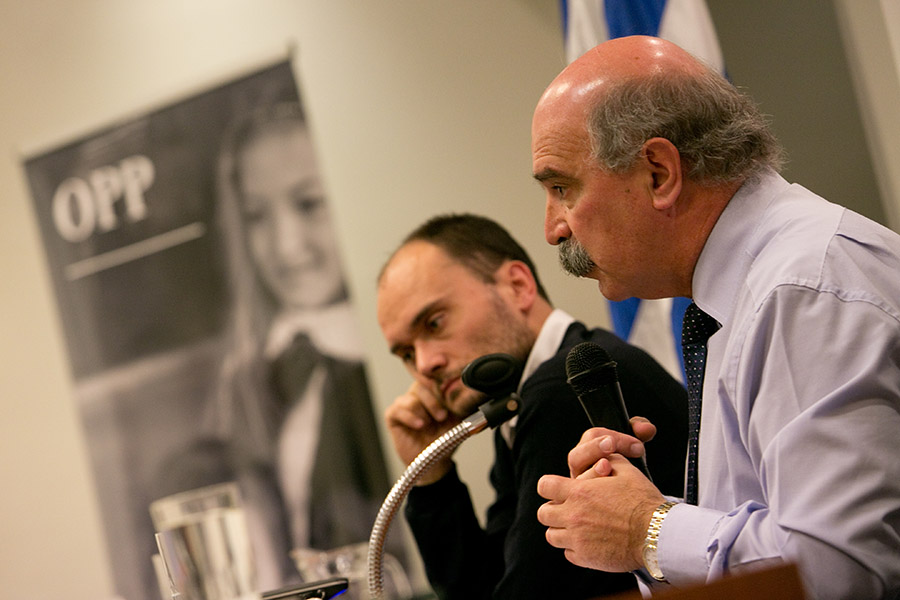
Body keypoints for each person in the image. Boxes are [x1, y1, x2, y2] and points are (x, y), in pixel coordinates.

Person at [531, 35, 900, 599]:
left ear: (658, 173)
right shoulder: (733, 299)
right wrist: (643, 514)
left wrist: (647, 529)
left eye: (562, 188)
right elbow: (781, 547)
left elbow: (837, 575)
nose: (553, 228)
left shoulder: (802, 289)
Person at [375, 213, 689, 599]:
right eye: (406, 353)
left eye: (435, 323)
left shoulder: (560, 389)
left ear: (517, 286)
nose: (424, 365)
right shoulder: (519, 397)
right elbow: (482, 585)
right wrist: (431, 478)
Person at [170, 102, 394, 589]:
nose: (286, 246)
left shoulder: (403, 359)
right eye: (256, 216)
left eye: (309, 203)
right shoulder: (247, 382)